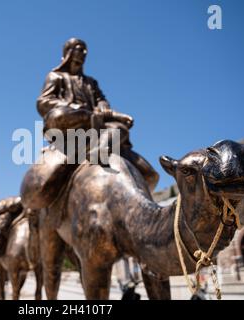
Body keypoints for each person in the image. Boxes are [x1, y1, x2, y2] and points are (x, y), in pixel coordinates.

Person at [21, 38, 159, 209]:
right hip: (71, 123)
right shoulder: (56, 76)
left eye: (85, 50)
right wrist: (75, 108)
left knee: (121, 131)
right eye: (80, 49)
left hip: (96, 127)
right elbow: (44, 102)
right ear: (69, 52)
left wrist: (103, 109)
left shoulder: (91, 83)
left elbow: (102, 101)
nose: (84, 53)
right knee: (58, 115)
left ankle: (100, 148)